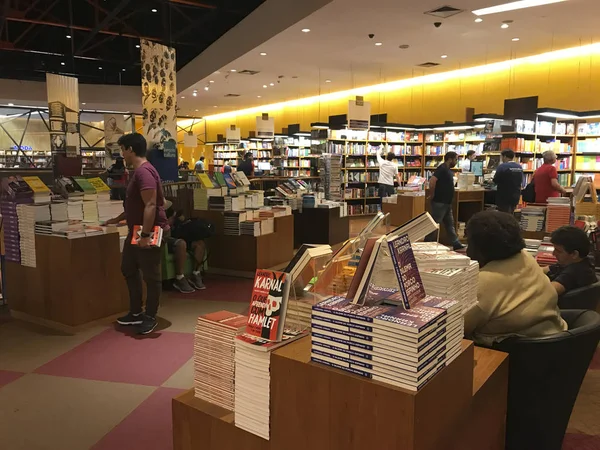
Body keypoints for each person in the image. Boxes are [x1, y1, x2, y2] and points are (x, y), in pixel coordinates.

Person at [464, 211, 567, 346]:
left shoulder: (483, 281)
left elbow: (458, 328)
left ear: (476, 246)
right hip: (555, 339)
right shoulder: (526, 257)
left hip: (511, 353)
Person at [106, 133, 168, 335]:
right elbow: (138, 204)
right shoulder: (140, 172)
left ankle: (150, 316)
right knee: (128, 268)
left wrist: (145, 235)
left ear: (130, 149)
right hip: (137, 230)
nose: (122, 154)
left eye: (123, 149)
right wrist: (116, 220)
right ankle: (135, 312)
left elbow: (151, 204)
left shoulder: (144, 172)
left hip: (148, 230)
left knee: (151, 275)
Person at [165, 202, 211, 293]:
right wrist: (169, 222)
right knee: (181, 244)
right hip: (166, 238)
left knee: (200, 243)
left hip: (180, 236)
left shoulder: (174, 214)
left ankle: (196, 272)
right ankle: (179, 277)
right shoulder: (156, 214)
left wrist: (180, 220)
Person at [425, 151, 464, 250]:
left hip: (446, 202)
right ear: (449, 159)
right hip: (440, 201)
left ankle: (455, 243)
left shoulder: (447, 170)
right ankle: (427, 241)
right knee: (435, 222)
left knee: (450, 223)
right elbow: (432, 180)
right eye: (455, 159)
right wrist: (432, 194)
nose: (456, 162)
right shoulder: (442, 168)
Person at [543, 226, 597, 296]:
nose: (553, 254)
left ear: (574, 254)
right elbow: (543, 270)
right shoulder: (578, 262)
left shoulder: (575, 272)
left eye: (558, 251)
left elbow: (547, 292)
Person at [493, 149, 523, 214]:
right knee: (511, 213)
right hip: (515, 195)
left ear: (505, 157)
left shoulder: (502, 166)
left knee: (503, 214)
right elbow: (521, 180)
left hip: (504, 195)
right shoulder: (519, 167)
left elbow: (495, 180)